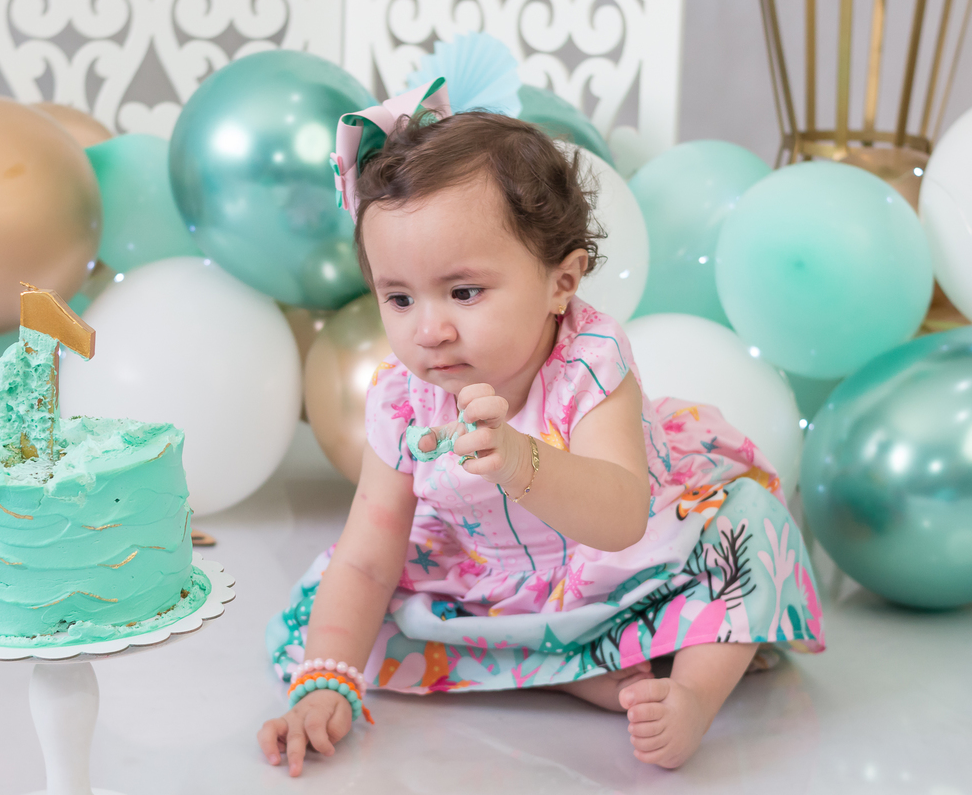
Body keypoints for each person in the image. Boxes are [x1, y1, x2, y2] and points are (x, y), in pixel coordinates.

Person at [258, 79, 825, 774]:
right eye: (399, 297)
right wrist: (327, 679)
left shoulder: (587, 362)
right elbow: (368, 557)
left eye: (465, 292)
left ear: (561, 282)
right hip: (490, 588)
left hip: (633, 566)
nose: (430, 330)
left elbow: (621, 516)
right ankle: (572, 665)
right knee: (345, 610)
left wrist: (522, 460)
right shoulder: (407, 401)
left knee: (751, 524)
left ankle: (691, 693)